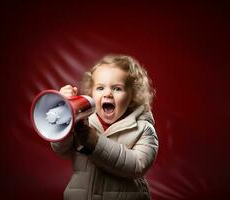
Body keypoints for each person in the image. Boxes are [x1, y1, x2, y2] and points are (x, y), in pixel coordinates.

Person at [51, 54, 158, 200]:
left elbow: (137, 166)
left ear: (133, 96)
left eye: (117, 89)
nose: (107, 93)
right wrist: (65, 112)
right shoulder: (83, 120)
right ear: (91, 93)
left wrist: (96, 143)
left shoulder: (144, 128)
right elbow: (61, 149)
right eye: (100, 88)